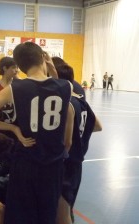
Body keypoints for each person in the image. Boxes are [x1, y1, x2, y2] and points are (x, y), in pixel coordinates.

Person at [0, 42, 74, 224]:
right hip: (53, 165)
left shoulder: (15, 88)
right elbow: (55, 84)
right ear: (43, 58)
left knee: (23, 214)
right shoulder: (66, 86)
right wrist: (51, 69)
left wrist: (13, 128)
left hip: (27, 161)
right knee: (47, 213)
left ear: (20, 66)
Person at [54, 64, 102, 224]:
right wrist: (80, 137)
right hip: (76, 164)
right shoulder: (82, 101)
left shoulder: (66, 104)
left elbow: (67, 143)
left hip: (65, 164)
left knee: (62, 214)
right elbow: (97, 126)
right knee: (67, 208)